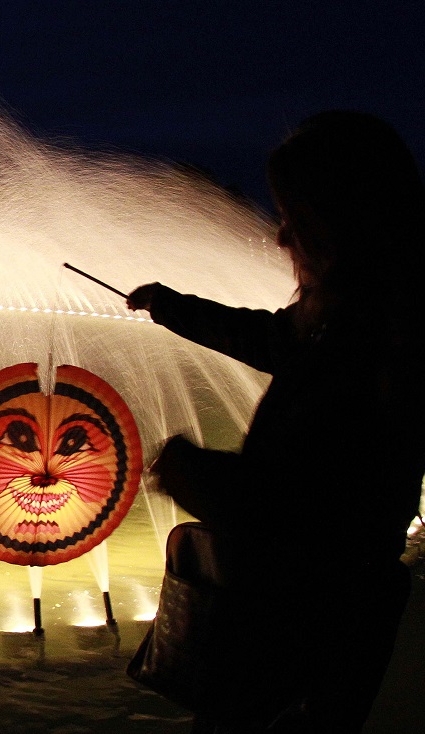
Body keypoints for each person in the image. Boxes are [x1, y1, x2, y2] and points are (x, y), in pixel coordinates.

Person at [127, 111, 425, 732]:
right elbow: (266, 336)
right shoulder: (348, 319)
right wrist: (169, 306)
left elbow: (323, 511)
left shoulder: (379, 345)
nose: (282, 238)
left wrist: (196, 473)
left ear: (342, 224)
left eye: (294, 220)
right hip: (309, 624)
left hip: (307, 631)